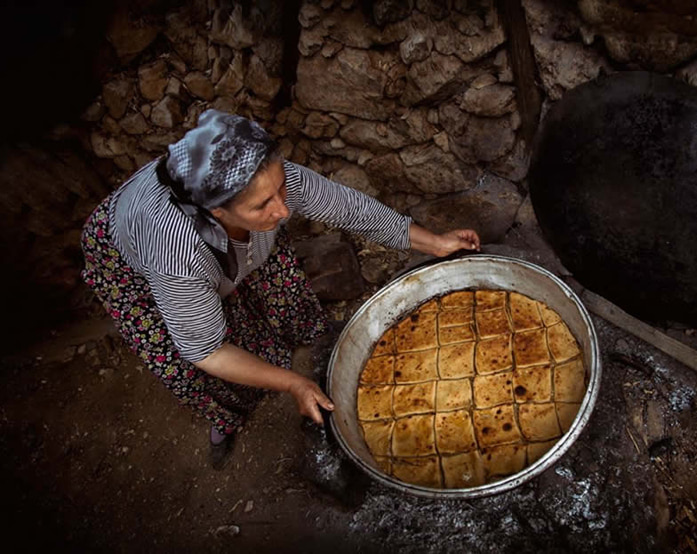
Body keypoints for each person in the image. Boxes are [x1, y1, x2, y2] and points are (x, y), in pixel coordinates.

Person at [81, 109, 481, 469]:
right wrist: (294, 382)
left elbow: (350, 209)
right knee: (191, 353)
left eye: (281, 190)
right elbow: (205, 349)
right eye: (262, 206)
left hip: (216, 242)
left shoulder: (261, 177)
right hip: (128, 257)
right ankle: (226, 420)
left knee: (272, 281)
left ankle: (297, 339)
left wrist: (435, 243)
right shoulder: (175, 250)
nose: (284, 210)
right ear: (216, 211)